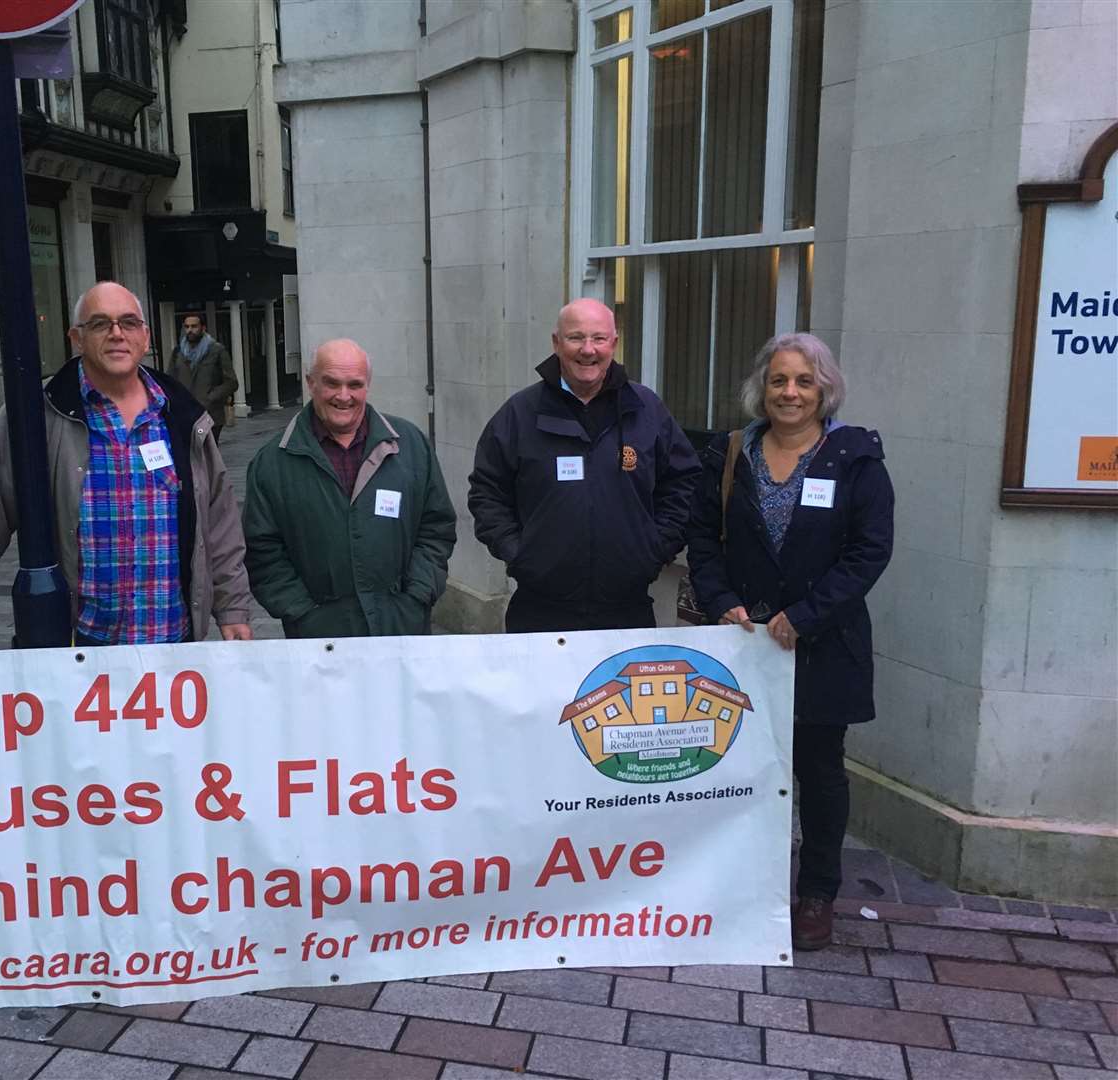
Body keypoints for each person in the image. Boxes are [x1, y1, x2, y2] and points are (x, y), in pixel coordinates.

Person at [0, 281, 253, 674]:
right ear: (76, 337)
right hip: (81, 653)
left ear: (146, 337)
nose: (117, 333)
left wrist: (232, 607)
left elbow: (218, 524)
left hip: (173, 646)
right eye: (100, 324)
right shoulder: (38, 415)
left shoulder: (181, 415)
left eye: (129, 323)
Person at [685, 332, 894, 951]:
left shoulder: (855, 458)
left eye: (803, 380)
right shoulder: (729, 454)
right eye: (779, 380)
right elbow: (703, 537)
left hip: (823, 645)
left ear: (824, 388)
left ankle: (817, 892)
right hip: (745, 644)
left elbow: (869, 552)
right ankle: (751, 879)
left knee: (820, 772)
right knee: (744, 768)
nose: (790, 392)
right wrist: (721, 599)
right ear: (762, 388)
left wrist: (807, 614)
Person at [468, 298, 700, 632]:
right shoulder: (520, 413)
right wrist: (520, 554)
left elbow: (683, 483)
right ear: (556, 343)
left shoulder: (646, 410)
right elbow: (487, 493)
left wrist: (655, 549)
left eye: (599, 338)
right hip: (539, 609)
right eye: (576, 337)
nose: (587, 350)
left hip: (628, 609)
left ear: (614, 343)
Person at [243, 339, 457, 637]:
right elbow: (262, 551)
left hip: (401, 628)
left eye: (354, 384)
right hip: (318, 639)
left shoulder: (410, 446)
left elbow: (436, 528)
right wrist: (302, 613)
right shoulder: (273, 461)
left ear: (367, 386)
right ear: (310, 383)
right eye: (331, 383)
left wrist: (416, 596)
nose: (343, 396)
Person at [168, 312, 239, 443]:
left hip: (210, 414)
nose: (190, 330)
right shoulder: (178, 352)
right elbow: (169, 381)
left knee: (209, 456)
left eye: (194, 326)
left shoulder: (217, 351)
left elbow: (232, 382)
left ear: (203, 327)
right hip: (185, 413)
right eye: (187, 327)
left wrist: (210, 397)